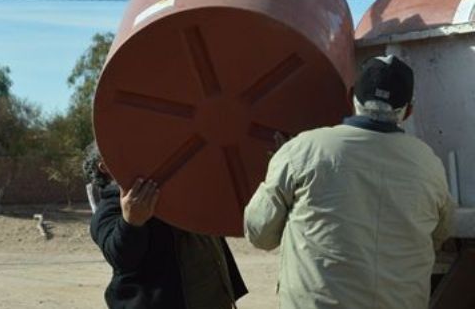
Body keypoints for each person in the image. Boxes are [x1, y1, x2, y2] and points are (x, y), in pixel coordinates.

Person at [244, 55, 454, 308]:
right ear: (408, 110)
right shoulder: (429, 164)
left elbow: (260, 234)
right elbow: (439, 234)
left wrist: (280, 165)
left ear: (350, 96)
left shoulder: (302, 150)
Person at [85, 146, 248, 308]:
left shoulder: (175, 189)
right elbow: (120, 257)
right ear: (104, 166)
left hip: (215, 299)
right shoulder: (108, 210)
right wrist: (131, 222)